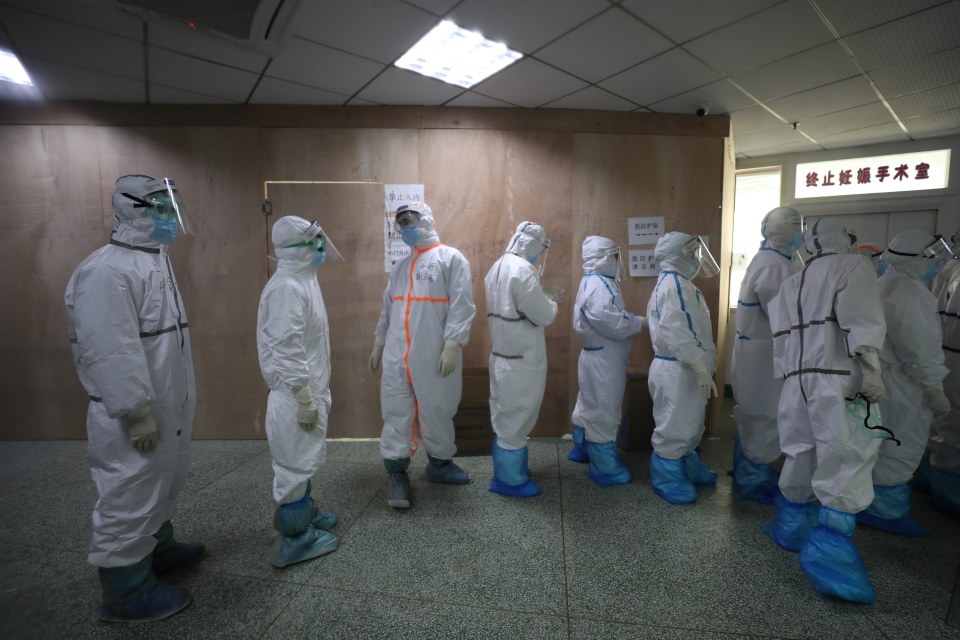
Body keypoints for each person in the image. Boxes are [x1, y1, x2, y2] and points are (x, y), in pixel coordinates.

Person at [65, 175, 204, 623]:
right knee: (130, 487)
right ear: (132, 210)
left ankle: (157, 549)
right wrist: (136, 409)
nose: (171, 217)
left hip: (167, 401)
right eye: (160, 208)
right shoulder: (107, 269)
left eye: (172, 207)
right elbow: (109, 346)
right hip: (137, 411)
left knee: (164, 477)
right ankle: (125, 593)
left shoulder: (154, 260)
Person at [764, 217, 886, 604]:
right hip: (838, 379)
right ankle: (831, 561)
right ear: (844, 240)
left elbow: (781, 341)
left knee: (800, 451)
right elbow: (860, 317)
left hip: (796, 383)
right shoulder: (853, 266)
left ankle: (793, 530)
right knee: (847, 456)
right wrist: (870, 367)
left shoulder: (791, 281)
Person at [369, 202, 476, 509]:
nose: (405, 226)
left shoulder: (450, 259)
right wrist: (378, 343)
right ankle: (397, 474)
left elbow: (462, 306)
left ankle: (440, 464)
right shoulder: (400, 268)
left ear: (426, 219)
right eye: (401, 222)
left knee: (438, 408)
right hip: (395, 354)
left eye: (409, 219)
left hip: (435, 353)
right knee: (395, 412)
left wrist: (453, 344)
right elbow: (387, 309)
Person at [257, 216, 341, 567]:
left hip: (307, 389)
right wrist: (304, 397)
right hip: (295, 396)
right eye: (313, 242)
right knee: (293, 465)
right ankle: (295, 539)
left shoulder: (305, 279)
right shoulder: (288, 287)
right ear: (296, 249)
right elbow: (286, 347)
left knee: (304, 458)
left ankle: (305, 512)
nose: (321, 248)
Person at [856, 231, 951, 536]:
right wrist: (935, 389)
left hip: (891, 380)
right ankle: (886, 511)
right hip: (903, 385)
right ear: (916, 261)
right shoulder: (907, 292)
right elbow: (919, 348)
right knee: (900, 441)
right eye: (932, 257)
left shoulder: (888, 284)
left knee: (886, 441)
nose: (937, 263)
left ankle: (877, 503)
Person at [731, 207, 803, 503]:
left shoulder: (780, 260)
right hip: (765, 354)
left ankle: (750, 467)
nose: (802, 232)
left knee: (757, 412)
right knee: (764, 413)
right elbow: (783, 320)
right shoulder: (773, 265)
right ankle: (753, 478)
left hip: (761, 350)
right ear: (783, 232)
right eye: (796, 227)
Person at [484, 222, 559, 496]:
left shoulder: (497, 267)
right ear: (531, 244)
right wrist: (551, 300)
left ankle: (510, 471)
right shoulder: (523, 271)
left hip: (502, 357)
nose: (539, 255)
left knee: (506, 416)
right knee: (516, 419)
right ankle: (510, 480)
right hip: (521, 362)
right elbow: (544, 315)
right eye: (539, 249)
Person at [646, 232, 720, 504]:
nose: (697, 260)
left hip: (682, 368)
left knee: (689, 423)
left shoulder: (678, 284)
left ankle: (687, 465)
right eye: (692, 253)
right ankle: (667, 476)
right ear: (680, 255)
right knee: (675, 425)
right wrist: (699, 366)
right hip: (678, 369)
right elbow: (677, 331)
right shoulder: (675, 285)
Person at [568, 236, 646, 486]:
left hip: (596, 354)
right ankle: (603, 466)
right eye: (614, 256)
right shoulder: (599, 286)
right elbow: (612, 323)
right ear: (604, 258)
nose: (617, 261)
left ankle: (582, 447)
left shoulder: (594, 281)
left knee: (588, 403)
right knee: (604, 409)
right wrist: (639, 322)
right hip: (604, 359)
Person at [928, 227, 960, 518]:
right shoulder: (953, 270)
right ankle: (946, 489)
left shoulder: (949, 268)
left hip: (944, 354)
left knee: (943, 420)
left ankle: (935, 477)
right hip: (950, 356)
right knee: (950, 421)